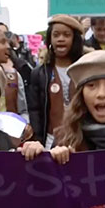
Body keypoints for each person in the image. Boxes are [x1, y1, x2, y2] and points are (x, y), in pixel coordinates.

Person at [28, 15, 84, 147]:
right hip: (49, 141)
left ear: (74, 39)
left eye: (66, 35)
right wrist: (37, 141)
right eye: (56, 35)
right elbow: (35, 111)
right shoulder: (40, 74)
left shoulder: (84, 70)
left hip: (81, 141)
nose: (61, 39)